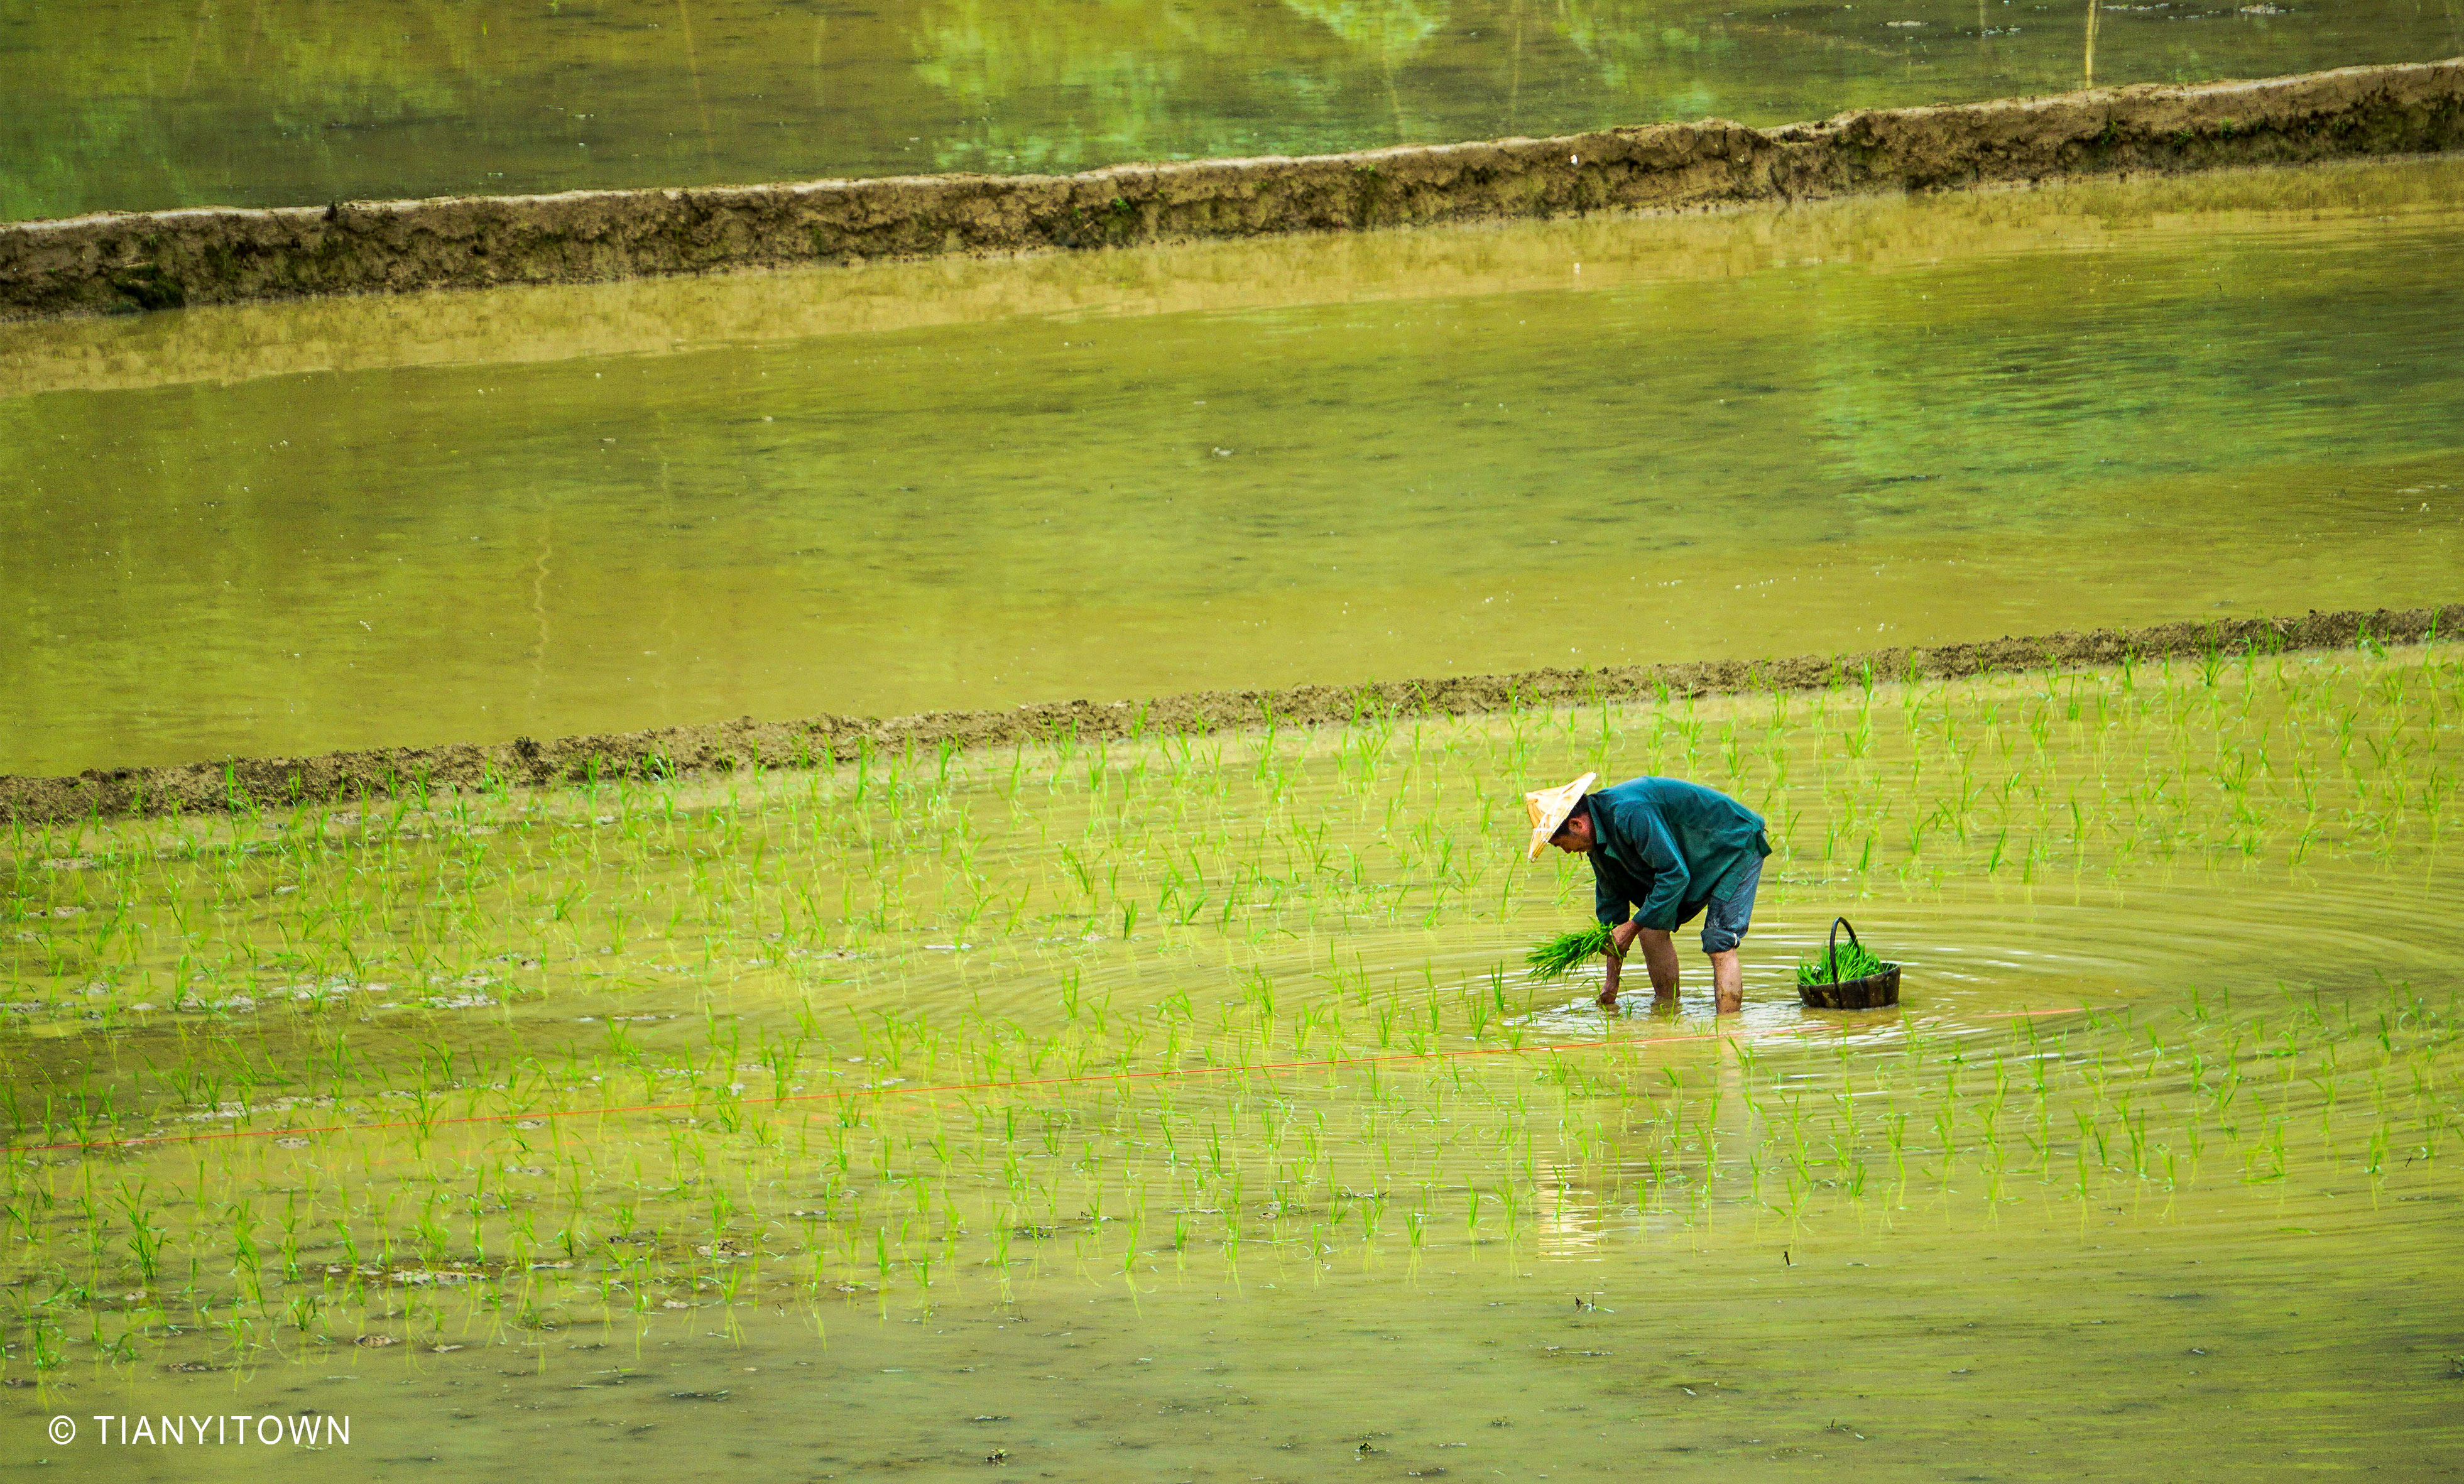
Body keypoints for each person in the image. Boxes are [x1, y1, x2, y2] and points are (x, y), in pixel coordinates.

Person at [1523, 771, 1770, 1013]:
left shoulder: (1630, 812)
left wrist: (1631, 928)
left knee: (1719, 940)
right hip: (1694, 856)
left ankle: (1728, 1033)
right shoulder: (1596, 846)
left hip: (1734, 843)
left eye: (1560, 844)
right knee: (1651, 931)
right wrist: (1612, 984)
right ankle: (1668, 1015)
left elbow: (1674, 875)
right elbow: (1613, 919)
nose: (1566, 852)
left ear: (1577, 824)